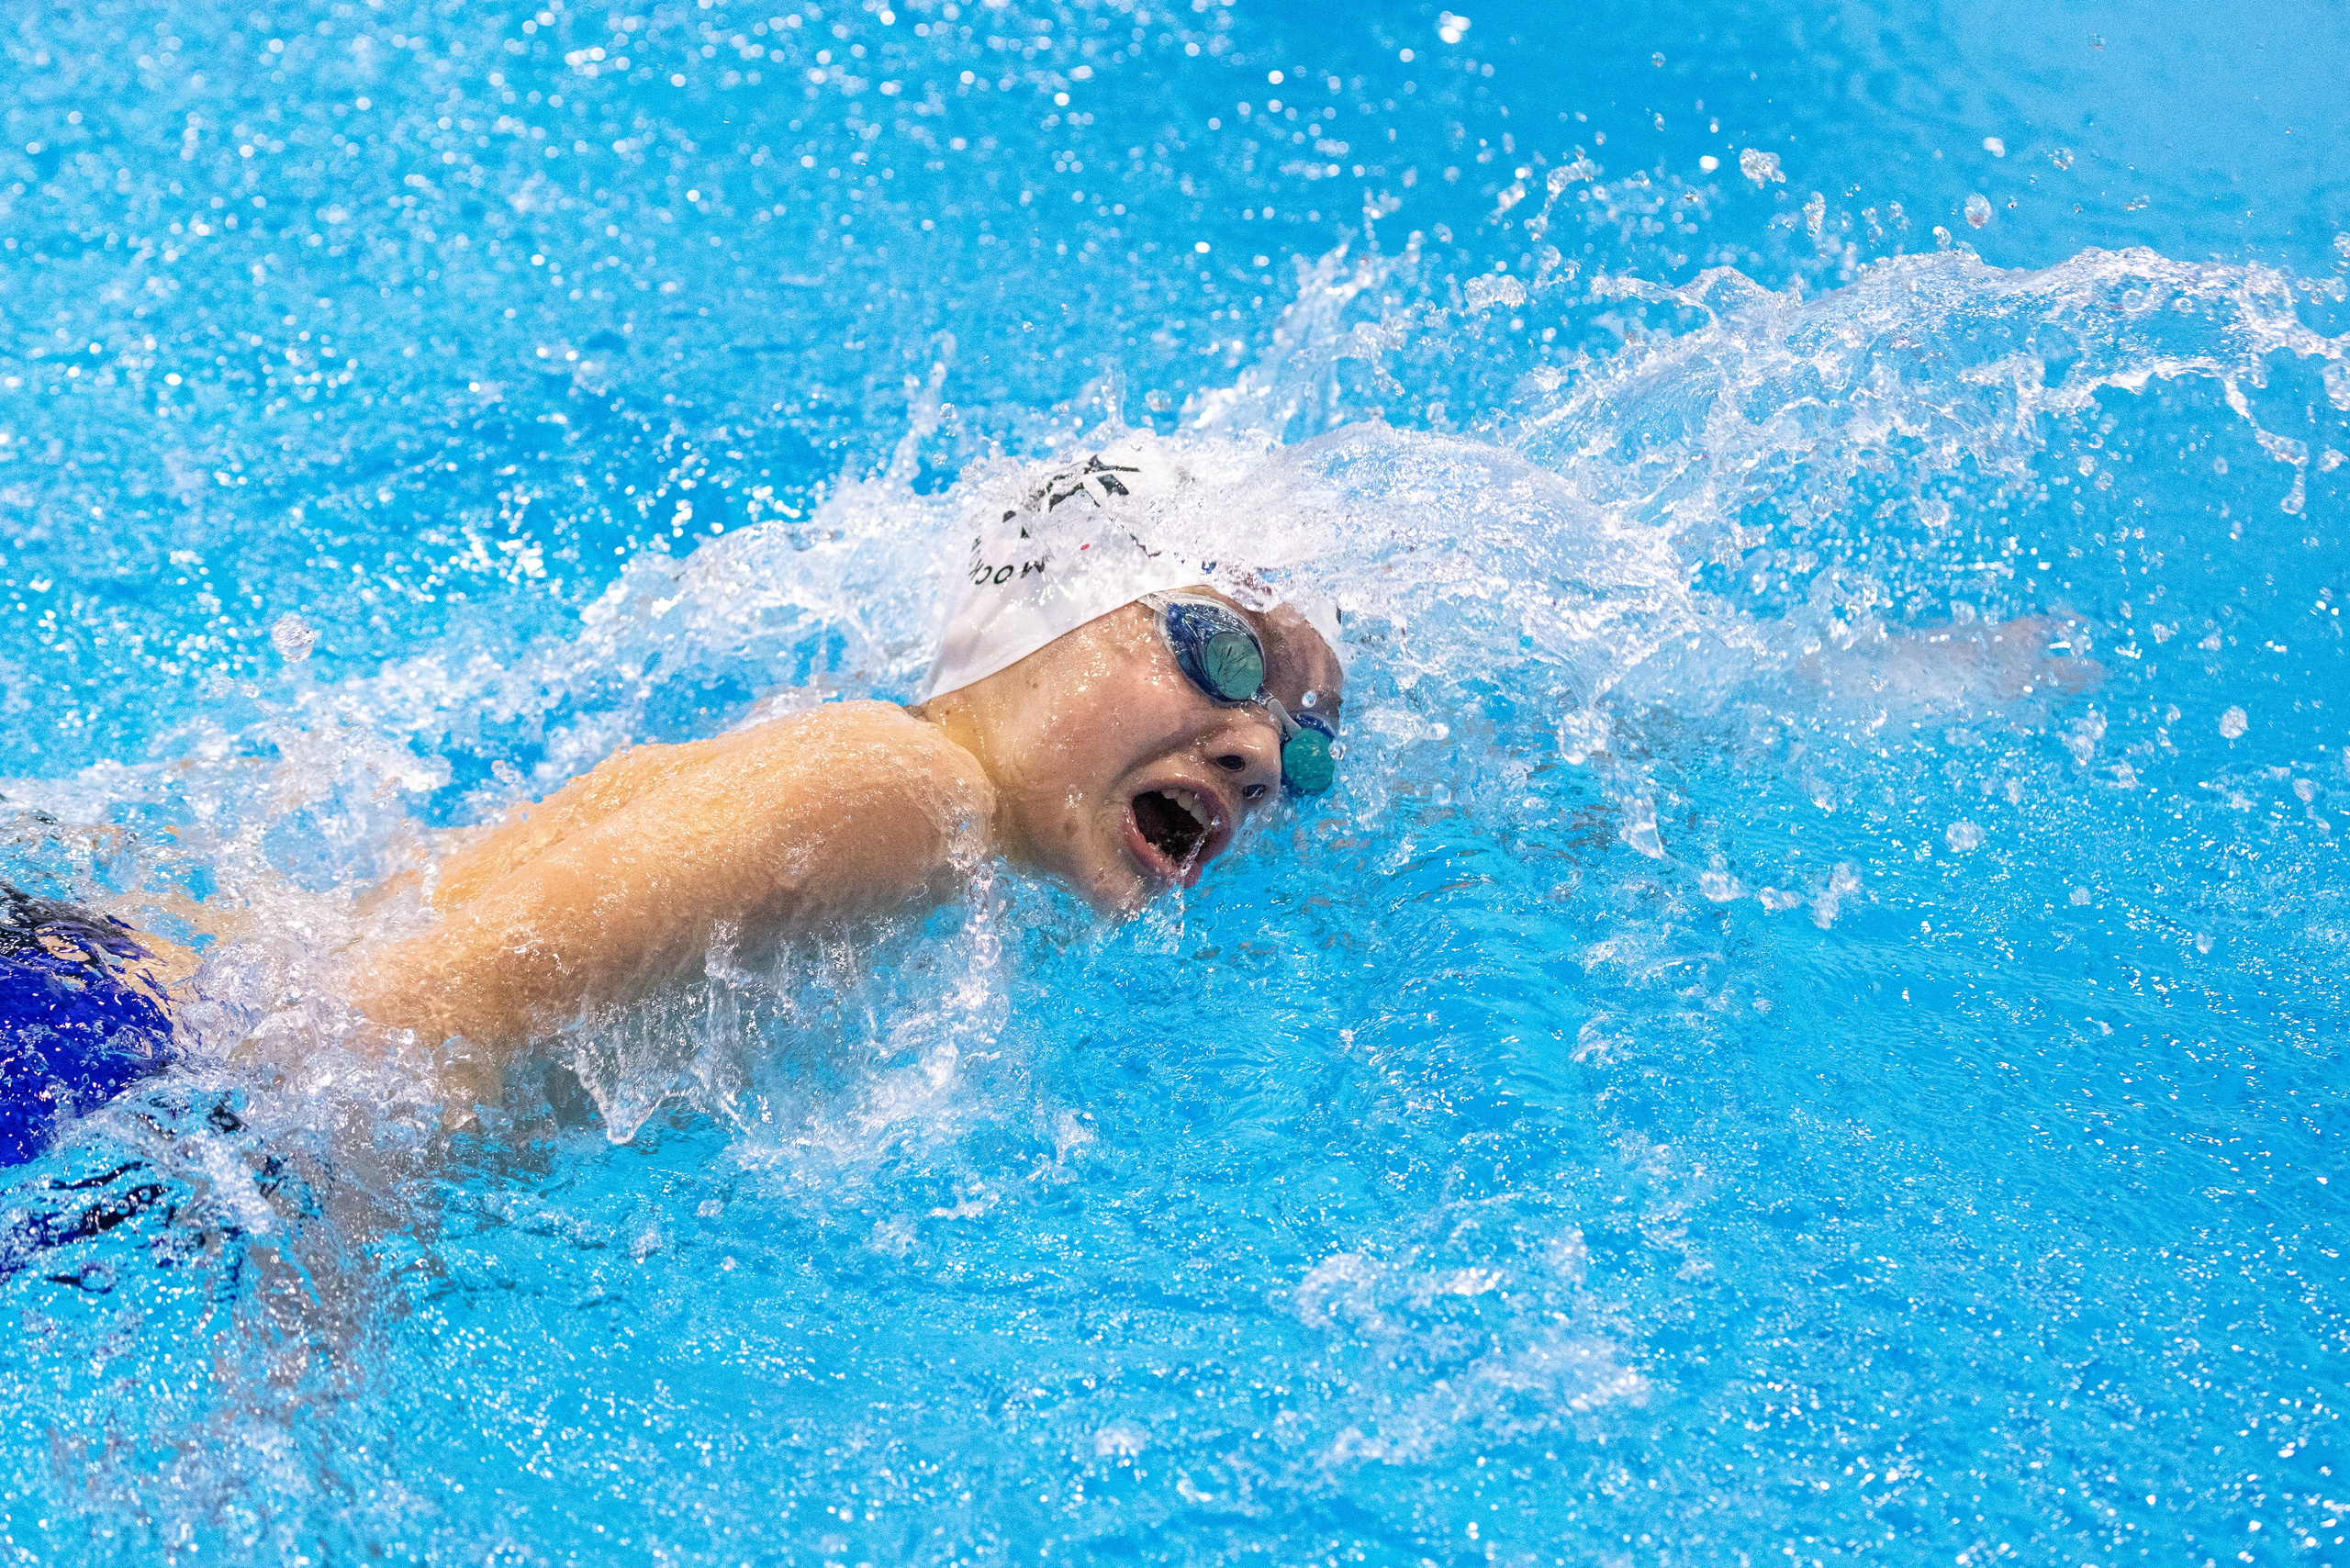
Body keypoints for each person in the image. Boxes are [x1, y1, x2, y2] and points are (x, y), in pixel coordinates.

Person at [348, 447, 1346, 1094]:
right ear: (1037, 614)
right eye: (1220, 653)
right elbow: (402, 1023)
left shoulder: (939, 842)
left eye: (1305, 744)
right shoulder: (901, 790)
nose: (1258, 754)